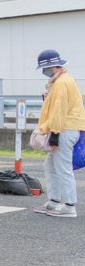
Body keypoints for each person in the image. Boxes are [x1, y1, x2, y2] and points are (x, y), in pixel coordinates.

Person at [33, 49, 85, 219]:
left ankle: (69, 206)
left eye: (46, 68)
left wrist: (54, 133)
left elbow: (59, 110)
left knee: (63, 168)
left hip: (63, 129)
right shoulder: (65, 79)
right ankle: (54, 202)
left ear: (54, 66)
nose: (44, 72)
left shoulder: (61, 83)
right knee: (51, 165)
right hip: (67, 127)